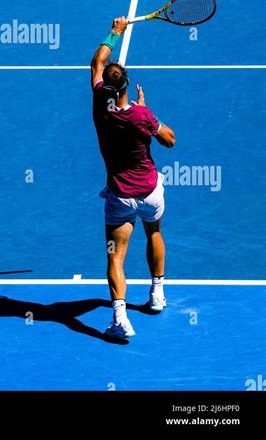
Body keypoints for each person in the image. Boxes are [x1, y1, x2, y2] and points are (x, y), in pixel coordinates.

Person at [91, 17, 175, 339]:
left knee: (115, 254)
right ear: (126, 86)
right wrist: (148, 113)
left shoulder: (100, 105)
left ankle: (120, 319)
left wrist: (115, 31)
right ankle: (157, 294)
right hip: (150, 192)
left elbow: (97, 61)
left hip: (119, 197)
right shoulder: (141, 116)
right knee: (154, 232)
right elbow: (170, 141)